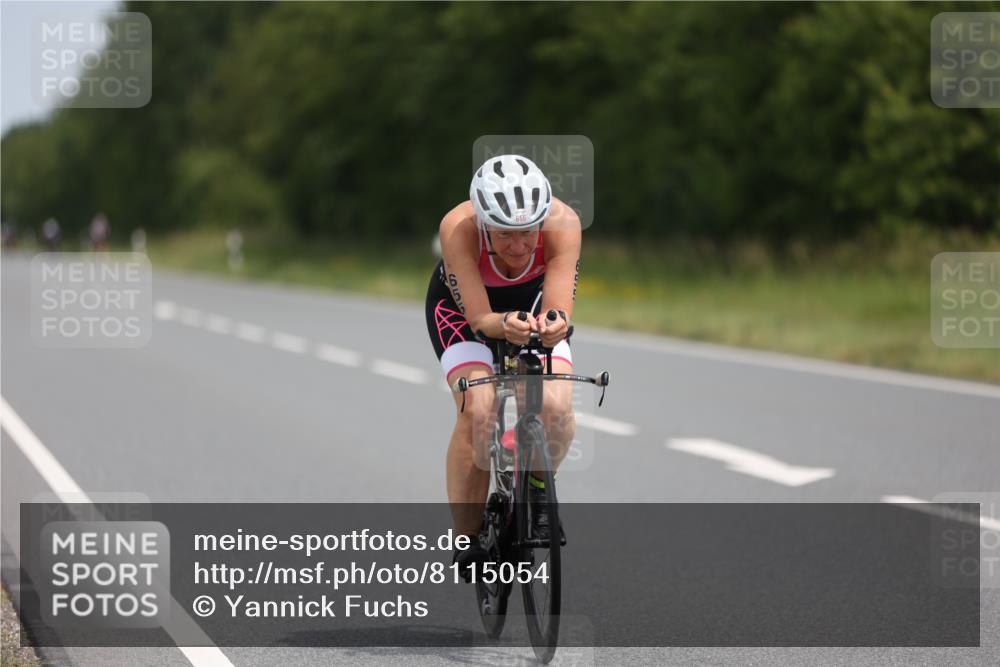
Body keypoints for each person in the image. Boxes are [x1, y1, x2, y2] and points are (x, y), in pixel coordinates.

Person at [424, 154, 581, 578]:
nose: (518, 246)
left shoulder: (563, 224)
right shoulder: (458, 228)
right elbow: (480, 320)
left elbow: (558, 310)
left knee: (557, 407)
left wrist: (553, 327)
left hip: (530, 303)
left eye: (528, 232)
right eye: (505, 234)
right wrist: (503, 325)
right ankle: (467, 539)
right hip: (464, 312)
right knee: (477, 410)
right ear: (483, 225)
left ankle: (534, 487)